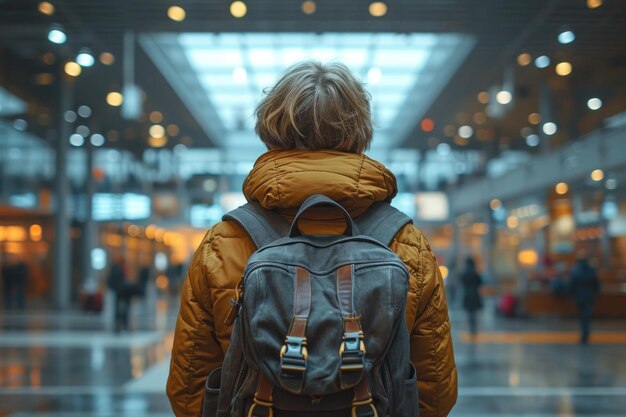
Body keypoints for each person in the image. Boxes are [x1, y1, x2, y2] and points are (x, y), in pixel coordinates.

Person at [166, 61, 457, 417]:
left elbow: (190, 389)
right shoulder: (406, 244)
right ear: (359, 132)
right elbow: (436, 391)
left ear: (270, 128)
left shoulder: (224, 242)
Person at [570, 253, 600, 344]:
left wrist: (572, 295)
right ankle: (586, 332)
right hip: (589, 296)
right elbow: (596, 284)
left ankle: (584, 333)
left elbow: (572, 284)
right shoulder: (591, 271)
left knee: (582, 315)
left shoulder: (576, 271)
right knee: (586, 315)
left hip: (579, 296)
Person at [107, 255, 131, 333]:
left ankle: (120, 322)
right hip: (121, 290)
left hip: (119, 291)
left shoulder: (116, 268)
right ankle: (121, 322)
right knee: (121, 307)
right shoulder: (119, 268)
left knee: (119, 307)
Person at [461, 257, 482, 336]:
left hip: (468, 295)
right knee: (473, 313)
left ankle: (472, 328)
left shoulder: (465, 274)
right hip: (475, 295)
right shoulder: (475, 274)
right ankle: (473, 327)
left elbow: (462, 282)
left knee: (470, 313)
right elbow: (480, 283)